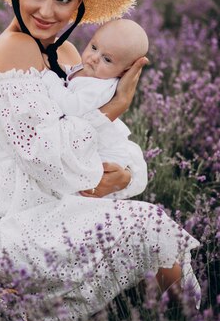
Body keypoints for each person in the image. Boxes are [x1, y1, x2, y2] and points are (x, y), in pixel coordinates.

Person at [0, 0, 200, 321]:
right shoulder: (11, 49)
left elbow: (103, 141)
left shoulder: (71, 55)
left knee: (153, 234)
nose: (47, 10)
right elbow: (44, 158)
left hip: (63, 203)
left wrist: (123, 175)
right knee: (153, 228)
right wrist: (116, 105)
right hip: (17, 218)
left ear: (78, 5)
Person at [42, 19, 150, 199]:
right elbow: (71, 77)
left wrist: (49, 79)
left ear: (125, 71)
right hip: (85, 144)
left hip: (104, 154)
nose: (93, 58)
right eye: (93, 47)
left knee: (81, 194)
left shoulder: (100, 86)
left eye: (107, 59)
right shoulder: (91, 71)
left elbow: (70, 106)